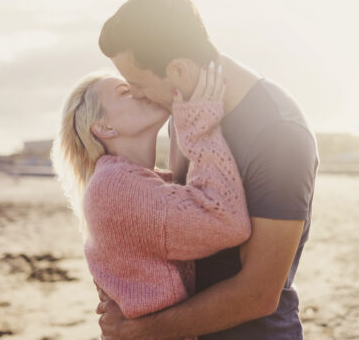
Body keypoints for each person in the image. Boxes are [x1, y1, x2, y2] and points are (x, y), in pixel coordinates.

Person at [95, 0, 320, 340]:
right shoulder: (184, 110)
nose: (136, 94)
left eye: (138, 84)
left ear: (179, 70)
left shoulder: (279, 135)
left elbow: (258, 294)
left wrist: (140, 330)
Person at [51, 66, 251, 331]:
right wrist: (199, 125)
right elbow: (228, 222)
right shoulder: (118, 186)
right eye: (125, 91)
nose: (138, 90)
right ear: (104, 127)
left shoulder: (128, 181)